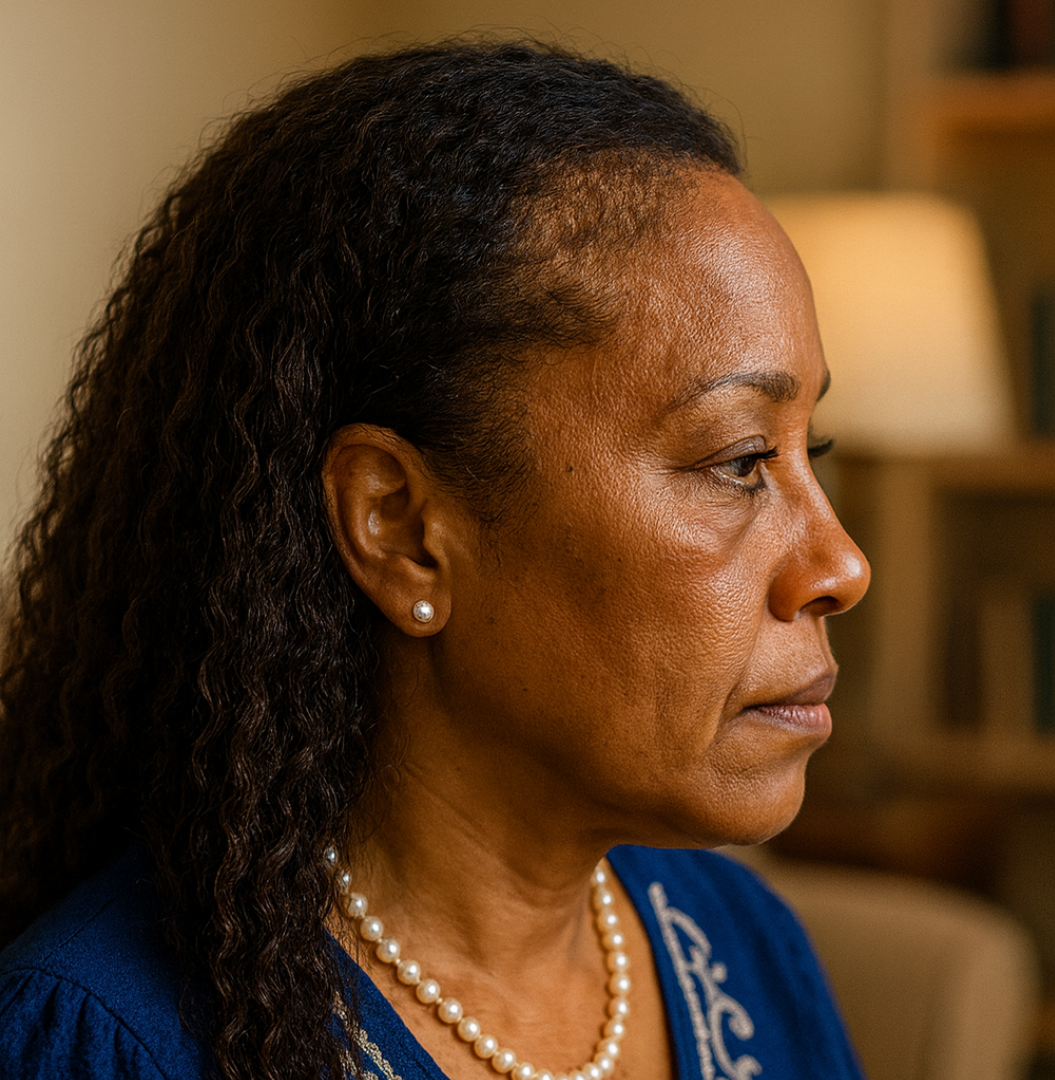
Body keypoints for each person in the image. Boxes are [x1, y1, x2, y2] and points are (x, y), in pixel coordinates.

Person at [0, 40, 871, 1080]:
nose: (841, 566)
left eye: (809, 451)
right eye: (739, 460)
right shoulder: (100, 1040)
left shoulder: (742, 949)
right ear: (403, 529)